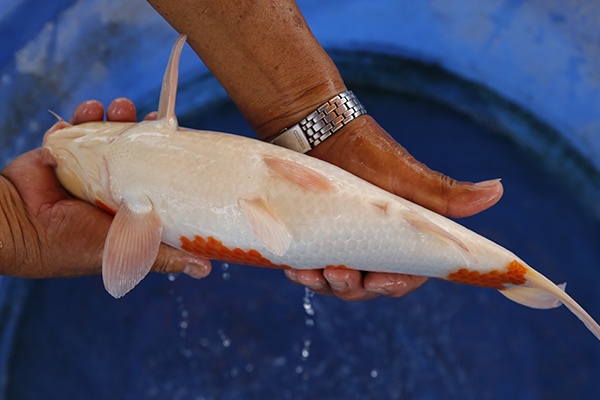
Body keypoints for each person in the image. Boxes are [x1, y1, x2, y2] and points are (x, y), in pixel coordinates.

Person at [0, 0, 503, 301]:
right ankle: (508, 275)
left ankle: (504, 275)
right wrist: (12, 232)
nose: (56, 147)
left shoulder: (128, 196)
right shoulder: (130, 193)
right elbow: (122, 266)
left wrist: (315, 116)